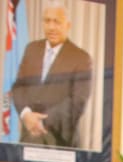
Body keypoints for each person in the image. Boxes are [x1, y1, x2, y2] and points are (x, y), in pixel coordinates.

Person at [11, 2, 93, 148]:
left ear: (68, 25)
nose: (51, 27)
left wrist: (41, 122)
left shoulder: (81, 58)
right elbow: (18, 87)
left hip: (61, 142)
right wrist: (26, 115)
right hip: (28, 139)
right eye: (47, 21)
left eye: (57, 22)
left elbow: (78, 102)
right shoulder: (32, 49)